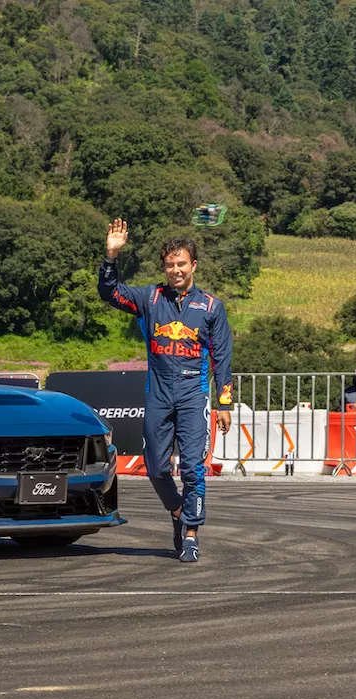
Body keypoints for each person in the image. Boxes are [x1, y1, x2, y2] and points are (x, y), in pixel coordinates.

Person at [97, 218, 234, 563]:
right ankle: (176, 512)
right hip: (158, 394)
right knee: (155, 468)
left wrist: (225, 400)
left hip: (193, 394)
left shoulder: (212, 307)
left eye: (182, 263)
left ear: (194, 266)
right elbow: (109, 293)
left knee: (192, 468)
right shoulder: (148, 297)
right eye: (170, 264)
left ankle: (190, 534)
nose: (176, 269)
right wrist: (111, 256)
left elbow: (222, 356)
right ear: (164, 267)